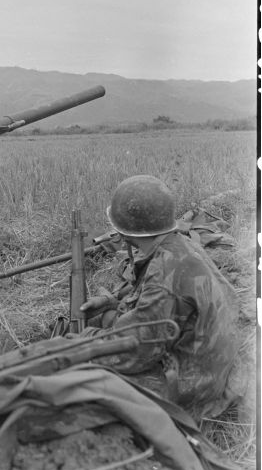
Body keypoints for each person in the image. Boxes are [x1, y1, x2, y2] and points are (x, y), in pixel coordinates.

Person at [77, 175, 244, 420]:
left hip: (194, 387)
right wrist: (114, 302)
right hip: (213, 365)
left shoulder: (164, 272)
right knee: (110, 318)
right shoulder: (180, 246)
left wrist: (82, 341)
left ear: (124, 231)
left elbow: (132, 355)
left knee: (86, 379)